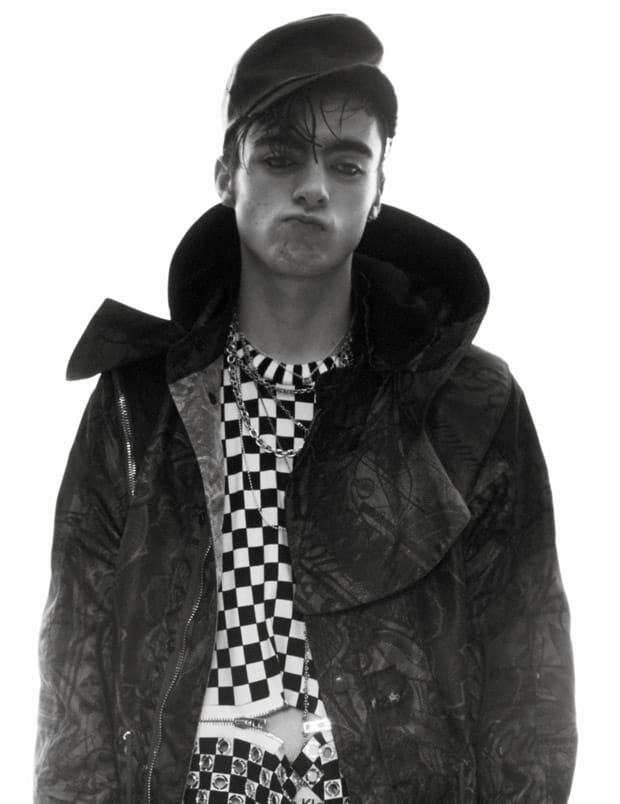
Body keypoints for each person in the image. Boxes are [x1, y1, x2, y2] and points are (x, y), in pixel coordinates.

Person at [35, 14, 577, 804]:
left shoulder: (468, 407)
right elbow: (73, 688)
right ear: (227, 175)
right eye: (281, 156)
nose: (314, 187)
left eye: (348, 163)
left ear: (379, 190)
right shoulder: (138, 405)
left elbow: (530, 690)